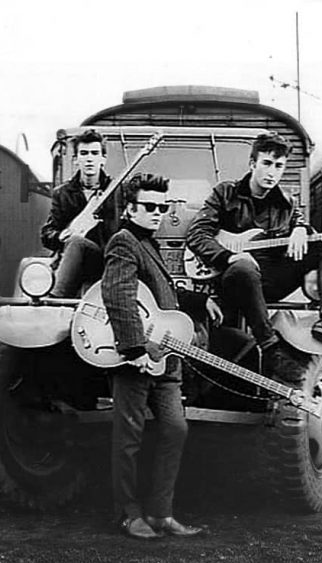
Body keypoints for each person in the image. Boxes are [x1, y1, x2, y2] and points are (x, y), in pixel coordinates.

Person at [102, 173, 223, 540]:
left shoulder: (147, 244)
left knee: (175, 428)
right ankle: (128, 514)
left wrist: (200, 301)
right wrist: (134, 348)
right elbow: (118, 295)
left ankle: (161, 513)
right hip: (137, 356)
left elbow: (159, 298)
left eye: (162, 206)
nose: (158, 213)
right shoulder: (123, 243)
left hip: (165, 359)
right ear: (130, 208)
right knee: (129, 437)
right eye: (149, 207)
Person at [186, 131, 322, 376]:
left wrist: (302, 229)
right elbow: (197, 234)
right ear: (253, 164)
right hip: (233, 280)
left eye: (279, 166)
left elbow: (301, 228)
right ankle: (271, 349)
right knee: (244, 267)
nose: (272, 172)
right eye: (267, 163)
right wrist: (228, 257)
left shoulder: (287, 203)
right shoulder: (225, 193)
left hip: (272, 278)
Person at [41, 129, 116, 297]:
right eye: (84, 153)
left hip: (106, 261)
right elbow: (47, 234)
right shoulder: (62, 193)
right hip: (72, 262)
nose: (89, 158)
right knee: (75, 242)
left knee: (77, 242)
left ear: (103, 159)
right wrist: (60, 237)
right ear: (76, 160)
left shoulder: (117, 191)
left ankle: (55, 297)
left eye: (95, 153)